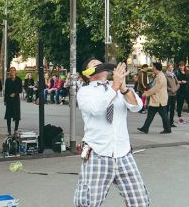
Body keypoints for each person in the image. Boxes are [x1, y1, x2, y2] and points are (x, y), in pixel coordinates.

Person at [74, 59, 149, 207]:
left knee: (140, 200)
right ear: (88, 74)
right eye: (94, 64)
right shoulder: (85, 91)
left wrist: (123, 89)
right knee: (88, 202)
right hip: (98, 153)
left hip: (123, 153)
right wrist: (114, 87)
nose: (99, 64)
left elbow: (136, 106)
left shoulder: (117, 88)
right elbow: (96, 109)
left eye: (100, 62)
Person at [138, 62, 171, 134]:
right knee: (151, 114)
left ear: (156, 68)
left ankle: (167, 129)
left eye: (153, 67)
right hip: (157, 99)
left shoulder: (160, 77)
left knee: (163, 115)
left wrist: (146, 93)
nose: (152, 68)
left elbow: (155, 88)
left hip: (159, 100)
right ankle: (145, 128)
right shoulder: (158, 75)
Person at [4, 66, 23, 135]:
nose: (12, 71)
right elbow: (5, 91)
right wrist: (5, 100)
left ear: (15, 71)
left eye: (13, 70)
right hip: (9, 99)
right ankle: (9, 130)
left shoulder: (19, 80)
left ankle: (15, 130)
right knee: (8, 116)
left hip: (16, 100)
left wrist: (15, 93)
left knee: (16, 115)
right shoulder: (7, 80)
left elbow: (20, 90)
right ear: (10, 72)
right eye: (11, 70)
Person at [165, 63, 180, 127]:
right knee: (167, 108)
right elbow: (164, 85)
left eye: (172, 67)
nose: (171, 68)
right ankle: (166, 122)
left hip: (174, 93)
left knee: (172, 109)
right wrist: (171, 89)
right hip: (168, 94)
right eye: (169, 67)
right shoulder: (165, 75)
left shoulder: (174, 75)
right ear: (167, 68)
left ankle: (171, 122)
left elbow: (178, 83)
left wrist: (175, 89)